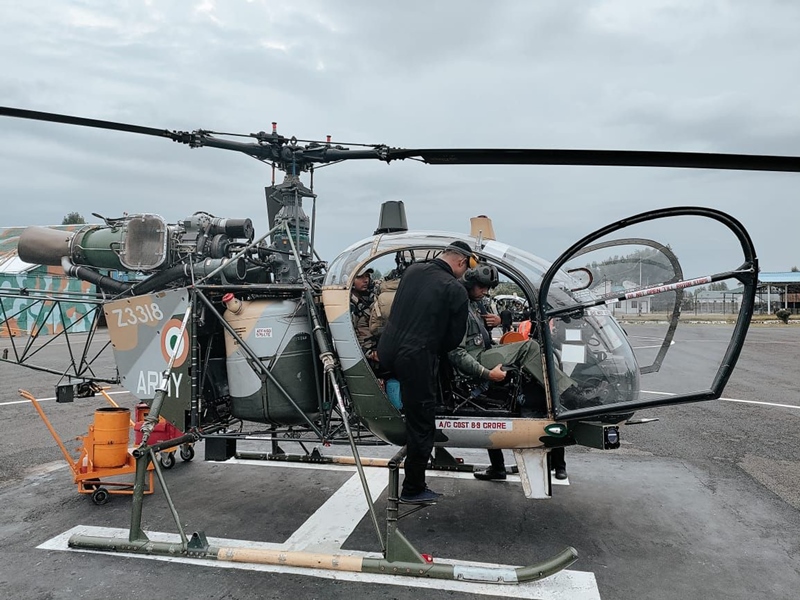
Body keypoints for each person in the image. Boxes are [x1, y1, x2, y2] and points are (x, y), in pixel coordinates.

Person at [448, 265, 598, 481]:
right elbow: (457, 351)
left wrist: (496, 322)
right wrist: (485, 373)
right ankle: (569, 393)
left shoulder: (474, 304)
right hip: (477, 360)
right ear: (471, 284)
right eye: (482, 288)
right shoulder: (460, 307)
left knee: (529, 356)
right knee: (530, 347)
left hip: (484, 352)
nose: (485, 292)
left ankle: (509, 466)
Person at [377, 241, 475, 504]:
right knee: (422, 423)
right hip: (415, 357)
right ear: (462, 262)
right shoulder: (455, 289)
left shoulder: (413, 271)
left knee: (412, 409)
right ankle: (413, 488)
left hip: (387, 351)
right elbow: (453, 340)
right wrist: (432, 350)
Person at [350, 266, 377, 364]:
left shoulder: (370, 298)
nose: (365, 280)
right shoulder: (349, 304)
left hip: (376, 347)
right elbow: (350, 338)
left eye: (367, 276)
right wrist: (370, 354)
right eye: (360, 277)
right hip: (363, 355)